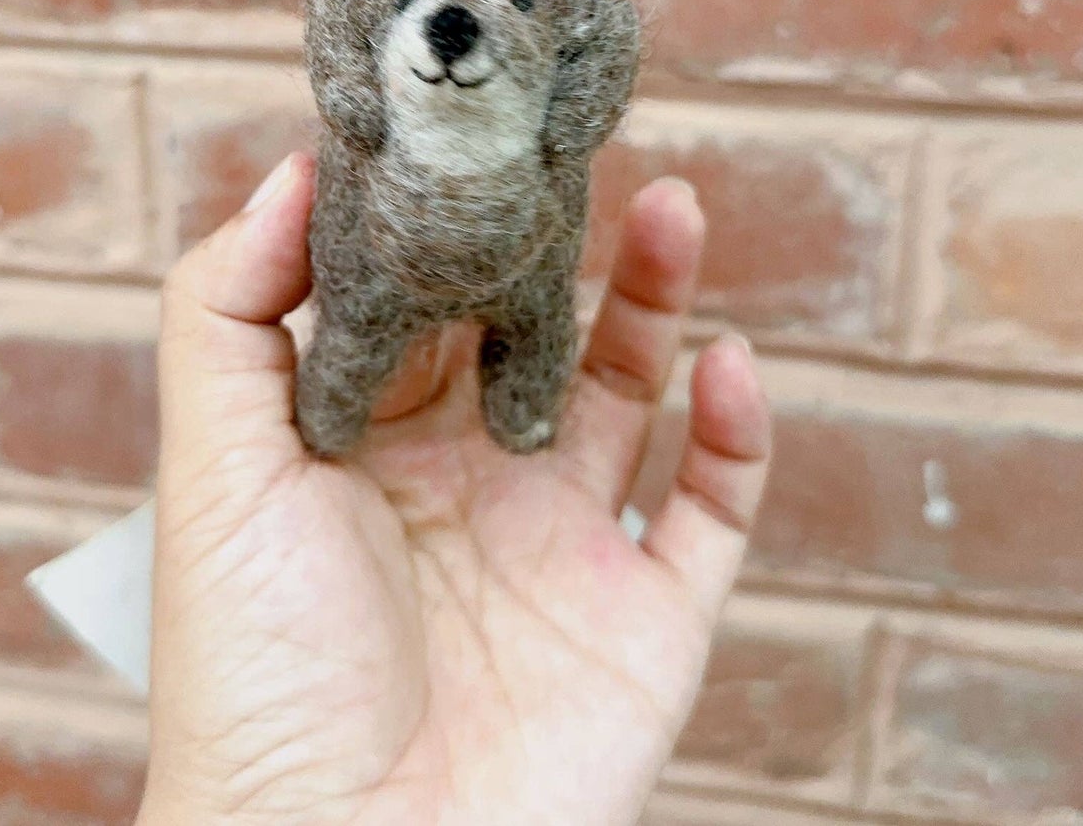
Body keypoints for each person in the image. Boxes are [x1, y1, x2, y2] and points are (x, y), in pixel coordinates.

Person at [137, 152, 772, 826]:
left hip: (520, 248)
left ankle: (513, 399)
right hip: (385, 247)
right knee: (358, 340)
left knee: (530, 329)